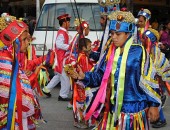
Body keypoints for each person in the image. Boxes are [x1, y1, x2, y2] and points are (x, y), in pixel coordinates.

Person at [68, 10, 161, 129]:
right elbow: (100, 77)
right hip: (112, 111)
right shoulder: (110, 53)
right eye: (112, 33)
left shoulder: (139, 52)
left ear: (128, 33)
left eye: (118, 34)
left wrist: (153, 105)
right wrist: (83, 76)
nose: (114, 37)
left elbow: (150, 79)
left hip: (134, 112)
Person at [0, 14, 41, 129]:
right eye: (24, 39)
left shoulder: (11, 57)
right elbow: (10, 95)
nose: (27, 43)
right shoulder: (5, 60)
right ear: (15, 41)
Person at [142, 28, 169, 128]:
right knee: (154, 100)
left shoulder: (155, 51)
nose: (142, 40)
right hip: (151, 81)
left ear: (150, 40)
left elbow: (159, 67)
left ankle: (161, 119)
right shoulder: (148, 50)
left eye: (145, 38)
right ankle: (156, 118)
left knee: (156, 100)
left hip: (155, 82)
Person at [42, 14, 72, 101]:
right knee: (65, 77)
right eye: (68, 22)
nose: (69, 24)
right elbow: (59, 45)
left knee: (59, 76)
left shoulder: (63, 32)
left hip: (61, 57)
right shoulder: (62, 33)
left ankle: (46, 89)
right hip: (61, 58)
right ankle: (63, 95)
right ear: (64, 23)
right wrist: (69, 47)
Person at [66, 38, 94, 128]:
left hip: (80, 83)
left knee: (81, 102)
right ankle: (79, 121)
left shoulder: (81, 56)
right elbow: (86, 70)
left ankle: (82, 120)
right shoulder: (83, 57)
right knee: (81, 102)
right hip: (82, 83)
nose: (91, 48)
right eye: (89, 46)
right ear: (83, 47)